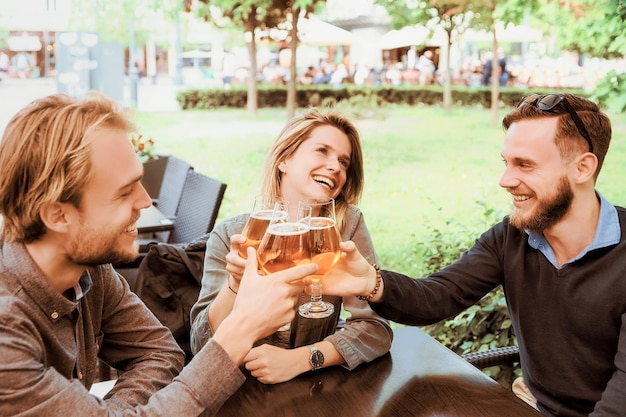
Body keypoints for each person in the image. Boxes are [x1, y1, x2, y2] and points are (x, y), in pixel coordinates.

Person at [307, 93, 625, 417]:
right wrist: (372, 282)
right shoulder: (511, 239)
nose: (506, 180)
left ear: (583, 167)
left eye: (525, 165)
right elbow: (438, 296)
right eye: (506, 162)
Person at [0, 92, 316, 416]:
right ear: (57, 215)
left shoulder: (90, 270)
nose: (146, 201)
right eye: (124, 192)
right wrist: (242, 327)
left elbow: (160, 352)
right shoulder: (6, 337)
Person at [190, 108, 393, 384]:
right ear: (284, 159)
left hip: (315, 387)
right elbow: (202, 347)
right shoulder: (232, 235)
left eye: (344, 162)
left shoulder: (344, 227)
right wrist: (235, 285)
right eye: (322, 150)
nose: (336, 167)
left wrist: (305, 359)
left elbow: (375, 328)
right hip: (240, 389)